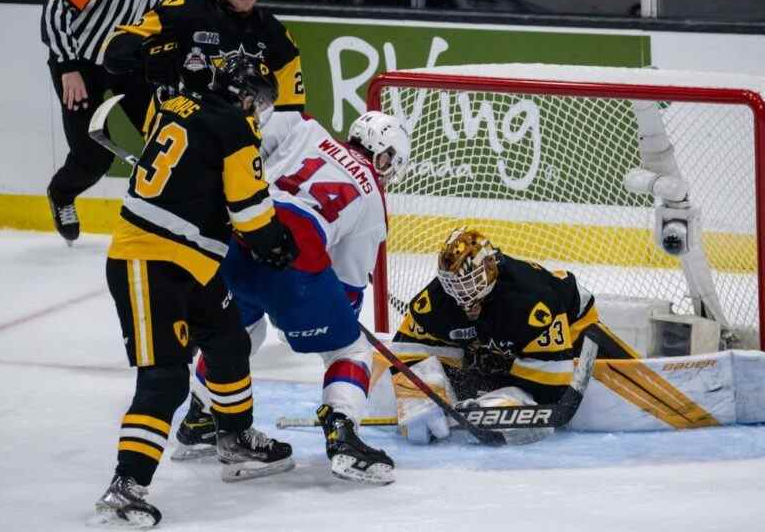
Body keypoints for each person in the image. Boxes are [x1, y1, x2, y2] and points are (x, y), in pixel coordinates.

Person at [94, 47, 300, 527]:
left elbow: (191, 175)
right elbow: (250, 213)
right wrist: (273, 243)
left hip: (193, 261)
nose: (259, 110)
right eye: (257, 99)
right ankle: (126, 486)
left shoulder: (178, 105)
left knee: (228, 342)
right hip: (147, 260)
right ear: (240, 96)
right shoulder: (234, 131)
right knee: (166, 379)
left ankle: (234, 438)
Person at [173, 109, 410, 485]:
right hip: (293, 266)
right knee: (349, 351)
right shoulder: (373, 201)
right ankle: (342, 435)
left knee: (239, 332)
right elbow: (349, 285)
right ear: (384, 156)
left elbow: (243, 158)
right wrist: (324, 320)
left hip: (237, 242)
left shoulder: (306, 128)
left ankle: (200, 416)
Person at [387, 227, 639, 444]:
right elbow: (405, 351)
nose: (464, 297)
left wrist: (497, 382)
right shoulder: (438, 299)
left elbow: (553, 389)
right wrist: (420, 391)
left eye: (471, 284)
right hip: (502, 340)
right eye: (455, 286)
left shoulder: (530, 302)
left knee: (538, 381)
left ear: (490, 268)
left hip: (574, 323)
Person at [41, 0, 198, 245]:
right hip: (80, 63)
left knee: (168, 134)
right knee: (93, 158)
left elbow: (193, 12)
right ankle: (62, 192)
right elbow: (57, 7)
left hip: (130, 65)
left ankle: (169, 217)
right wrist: (67, 66)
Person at [104, 0, 305, 135]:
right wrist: (145, 56)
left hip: (238, 136)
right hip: (179, 126)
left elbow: (290, 110)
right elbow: (117, 50)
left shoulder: (276, 34)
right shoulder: (186, 11)